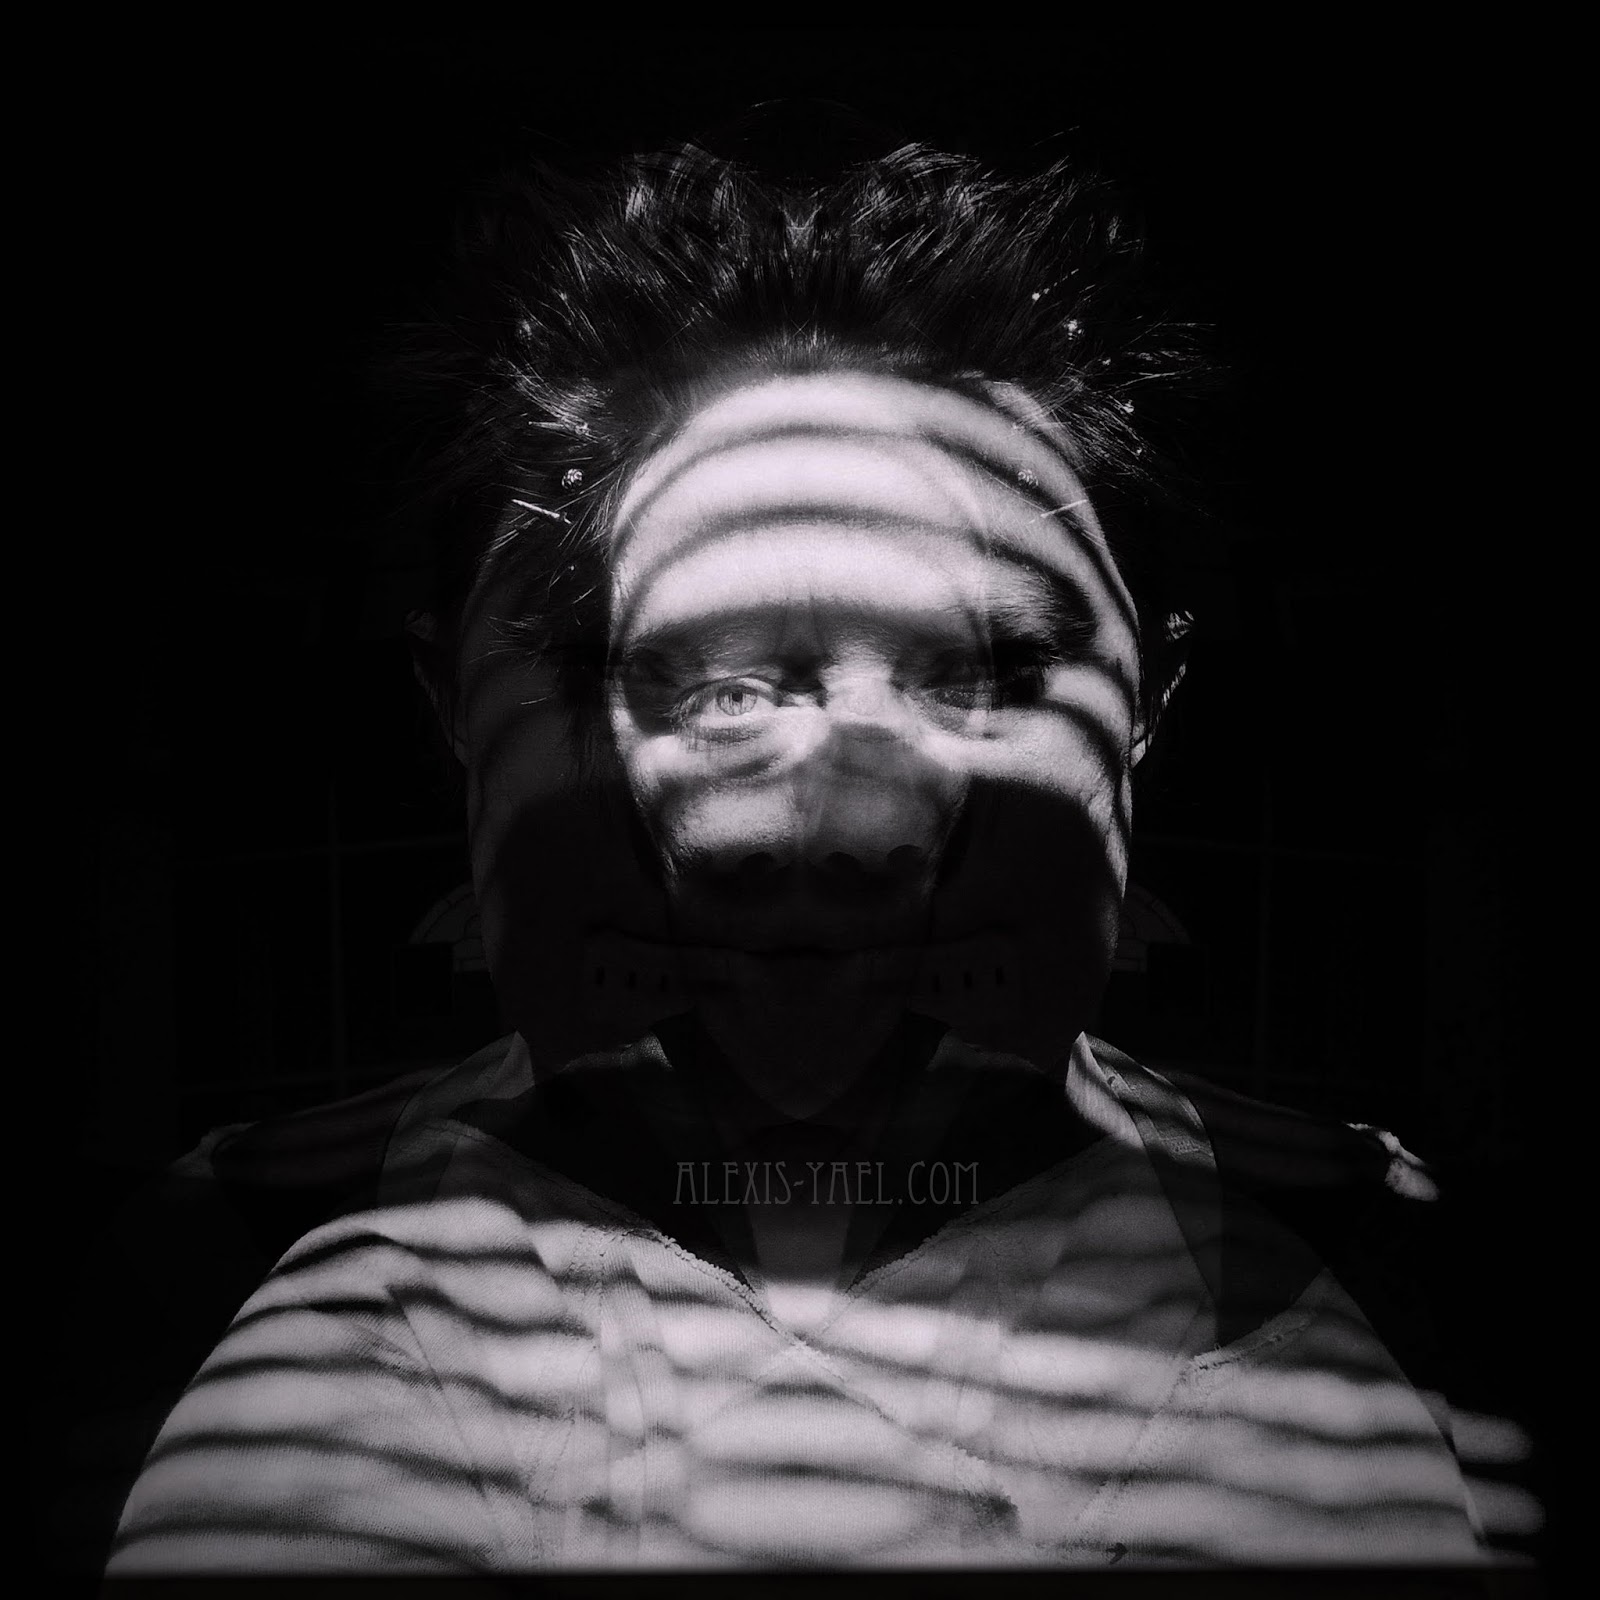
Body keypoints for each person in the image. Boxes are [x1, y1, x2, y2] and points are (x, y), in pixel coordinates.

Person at [106, 129, 1488, 1574]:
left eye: (983, 675)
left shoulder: (1356, 1249)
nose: (839, 818)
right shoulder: (243, 1251)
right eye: (698, 684)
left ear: (1149, 702)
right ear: (457, 700)